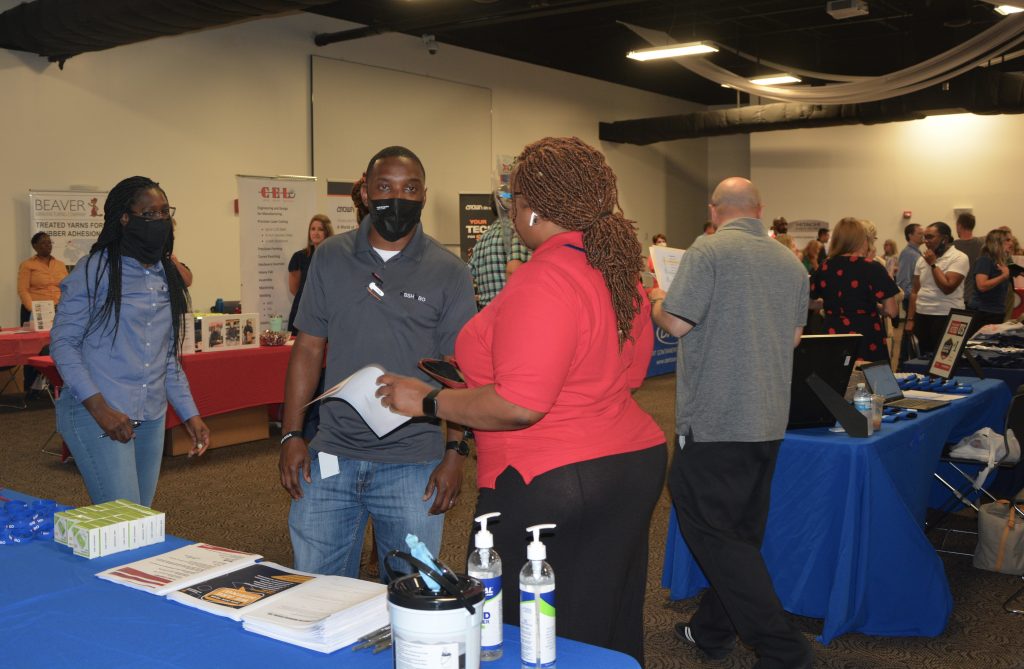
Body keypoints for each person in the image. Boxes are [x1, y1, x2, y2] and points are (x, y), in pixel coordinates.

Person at [377, 137, 666, 664]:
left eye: (512, 202)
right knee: (602, 622)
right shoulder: (616, 271)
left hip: (549, 478)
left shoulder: (546, 277)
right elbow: (629, 373)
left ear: (530, 208)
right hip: (627, 464)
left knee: (523, 635)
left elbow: (520, 405)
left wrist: (429, 402)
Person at [279, 146, 477, 580]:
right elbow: (308, 348)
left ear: (425, 195)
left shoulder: (451, 272)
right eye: (385, 187)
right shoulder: (330, 257)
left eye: (410, 188)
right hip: (331, 455)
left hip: (414, 465)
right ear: (366, 193)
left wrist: (455, 453)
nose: (397, 197)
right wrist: (292, 433)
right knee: (316, 593)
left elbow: (456, 370)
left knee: (412, 597)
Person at [650, 177, 814, 669]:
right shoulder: (791, 261)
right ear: (760, 210)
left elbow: (677, 323)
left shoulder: (707, 250)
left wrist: (657, 297)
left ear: (714, 210)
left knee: (712, 531)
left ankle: (782, 649)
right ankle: (712, 630)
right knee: (739, 533)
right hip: (766, 417)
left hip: (716, 419)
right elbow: (794, 340)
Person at [50, 176, 210, 506]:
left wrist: (190, 413)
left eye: (165, 212)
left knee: (140, 520)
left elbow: (166, 356)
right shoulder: (93, 271)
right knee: (125, 521)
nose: (159, 221)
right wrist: (100, 408)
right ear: (125, 218)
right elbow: (64, 344)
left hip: (151, 416)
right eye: (149, 214)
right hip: (97, 411)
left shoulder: (165, 274)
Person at [811, 218, 899, 361]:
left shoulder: (824, 267)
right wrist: (875, 307)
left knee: (835, 377)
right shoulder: (873, 268)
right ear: (861, 238)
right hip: (866, 335)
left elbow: (809, 302)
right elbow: (892, 311)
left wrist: (832, 304)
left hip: (834, 334)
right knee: (870, 380)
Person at [907, 222, 969, 356]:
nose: (926, 242)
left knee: (944, 359)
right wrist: (910, 319)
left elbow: (947, 287)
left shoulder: (959, 257)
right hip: (922, 314)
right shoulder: (921, 260)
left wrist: (934, 264)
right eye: (925, 237)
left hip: (947, 315)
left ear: (944, 239)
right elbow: (914, 291)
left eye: (930, 237)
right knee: (922, 357)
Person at [18, 232, 67, 395]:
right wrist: (33, 309)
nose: (48, 245)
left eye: (50, 242)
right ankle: (31, 386)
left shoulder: (60, 264)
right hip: (36, 311)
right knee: (33, 347)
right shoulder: (27, 265)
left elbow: (67, 287)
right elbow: (23, 289)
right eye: (44, 243)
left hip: (59, 309)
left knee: (59, 344)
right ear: (35, 246)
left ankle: (57, 382)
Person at [469, 189, 531, 308]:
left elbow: (467, 277)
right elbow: (514, 270)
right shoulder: (517, 231)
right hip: (512, 313)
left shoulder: (482, 239)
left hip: (486, 318)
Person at [287, 214, 334, 335]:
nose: (316, 232)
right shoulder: (299, 257)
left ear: (327, 232)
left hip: (326, 311)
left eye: (320, 229)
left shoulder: (335, 257)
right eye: (313, 229)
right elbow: (294, 289)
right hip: (302, 310)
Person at [967, 229, 1015, 332]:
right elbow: (982, 285)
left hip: (996, 311)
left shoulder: (1002, 262)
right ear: (997, 242)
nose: (1011, 243)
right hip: (983, 312)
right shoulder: (985, 260)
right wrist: (1004, 276)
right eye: (1007, 240)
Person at [896, 222, 924, 315]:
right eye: (919, 233)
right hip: (912, 301)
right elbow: (903, 280)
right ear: (910, 236)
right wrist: (913, 296)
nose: (923, 236)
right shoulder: (908, 254)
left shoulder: (916, 252)